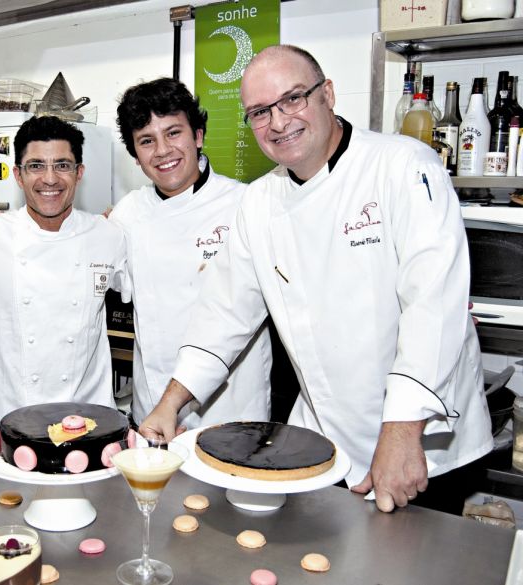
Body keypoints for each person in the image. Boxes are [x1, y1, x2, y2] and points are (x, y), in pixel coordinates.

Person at [140, 45, 493, 514]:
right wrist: (171, 403)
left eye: (292, 99)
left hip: (424, 442)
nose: (279, 122)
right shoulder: (260, 202)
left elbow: (434, 307)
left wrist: (404, 430)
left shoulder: (404, 167)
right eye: (260, 112)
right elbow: (223, 315)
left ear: (327, 94)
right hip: (326, 440)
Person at [109, 77, 271, 431]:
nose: (163, 150)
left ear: (198, 135)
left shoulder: (245, 205)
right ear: (136, 157)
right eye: (147, 141)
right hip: (154, 406)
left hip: (233, 412)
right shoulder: (127, 214)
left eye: (173, 133)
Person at [0, 115, 127, 434]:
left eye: (62, 165)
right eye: (36, 165)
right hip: (8, 413)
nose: (50, 179)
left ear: (79, 173)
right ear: (19, 176)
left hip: (88, 415)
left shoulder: (108, 235)